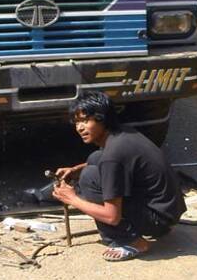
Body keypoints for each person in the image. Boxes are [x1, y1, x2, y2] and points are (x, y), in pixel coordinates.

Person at [53, 91, 186, 262]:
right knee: (94, 159)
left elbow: (111, 216)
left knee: (89, 178)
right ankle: (139, 231)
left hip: (159, 220)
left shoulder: (113, 155)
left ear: (102, 119)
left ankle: (132, 241)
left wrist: (72, 199)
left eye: (86, 121)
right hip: (168, 210)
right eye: (77, 122)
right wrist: (75, 169)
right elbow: (112, 162)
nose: (80, 128)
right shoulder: (122, 134)